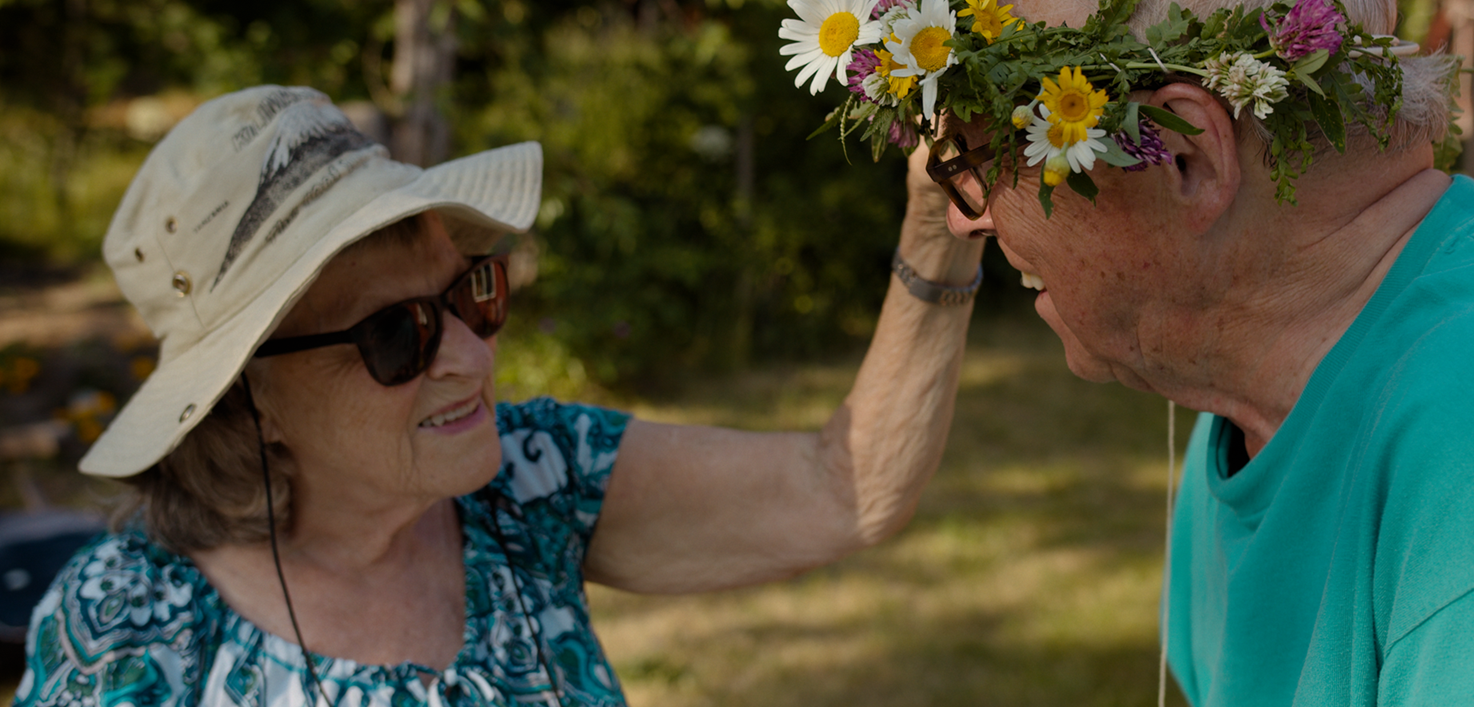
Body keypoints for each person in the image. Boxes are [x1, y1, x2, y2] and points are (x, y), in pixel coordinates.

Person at [16, 85, 984, 706]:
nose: (475, 363)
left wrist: (935, 230)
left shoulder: (527, 483)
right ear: (248, 396)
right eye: (396, 334)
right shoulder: (133, 627)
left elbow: (837, 491)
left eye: (470, 292)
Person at [930, 0, 1473, 703]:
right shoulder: (1250, 400)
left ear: (1182, 155)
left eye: (977, 162)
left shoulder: (1455, 464)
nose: (961, 220)